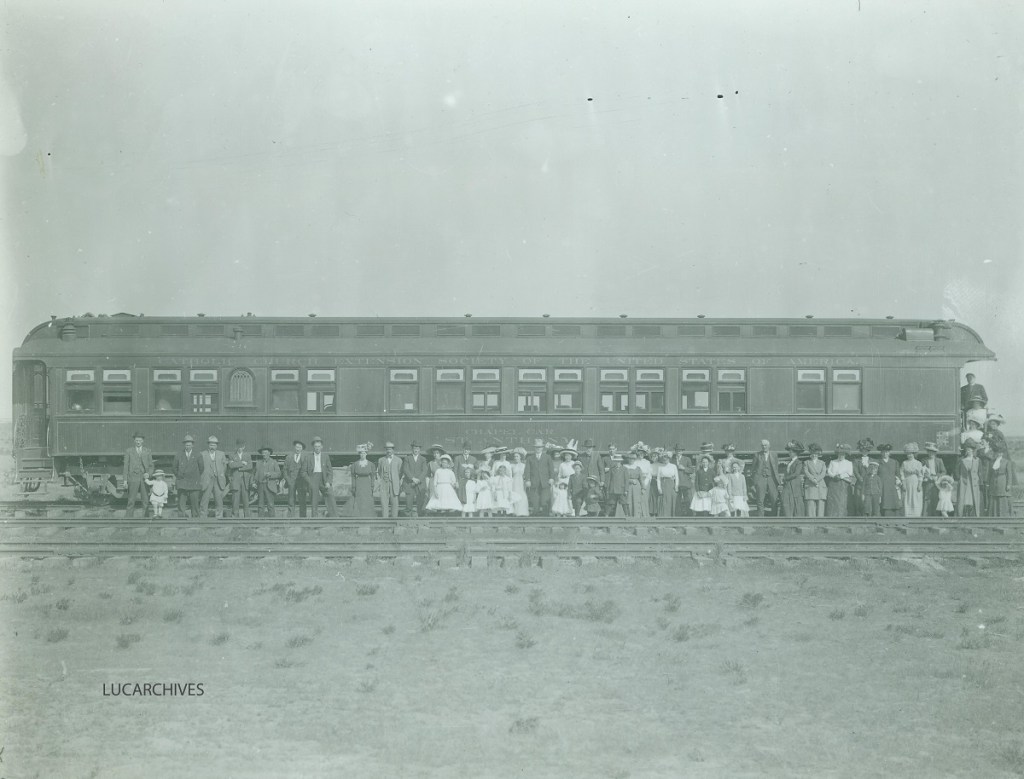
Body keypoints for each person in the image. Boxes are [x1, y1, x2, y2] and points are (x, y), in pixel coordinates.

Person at [303, 437, 337, 517]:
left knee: (330, 495)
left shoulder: (325, 456)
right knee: (314, 500)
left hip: (323, 478)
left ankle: (334, 517)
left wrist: (328, 482)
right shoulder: (308, 457)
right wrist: (310, 481)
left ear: (322, 447)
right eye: (316, 446)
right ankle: (315, 521)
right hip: (313, 478)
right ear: (313, 447)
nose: (317, 448)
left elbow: (330, 471)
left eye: (319, 446)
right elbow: (303, 472)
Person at [123, 432, 155, 518]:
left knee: (145, 501)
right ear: (134, 441)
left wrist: (149, 474)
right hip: (133, 478)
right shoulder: (129, 451)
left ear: (142, 441)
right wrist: (125, 480)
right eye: (136, 440)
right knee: (131, 501)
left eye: (140, 440)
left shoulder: (147, 451)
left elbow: (151, 466)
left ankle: (146, 520)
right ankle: (128, 520)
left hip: (144, 479)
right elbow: (126, 466)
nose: (138, 442)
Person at [172, 434, 203, 518]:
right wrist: (179, 476)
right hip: (182, 482)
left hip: (194, 483)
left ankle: (195, 519)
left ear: (192, 445)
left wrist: (195, 477)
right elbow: (174, 468)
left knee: (195, 504)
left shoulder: (198, 455)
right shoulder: (178, 455)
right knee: (181, 504)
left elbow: (201, 468)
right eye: (186, 445)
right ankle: (181, 519)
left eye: (189, 445)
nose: (188, 446)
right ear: (184, 445)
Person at [199, 435, 229, 519]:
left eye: (214, 445)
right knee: (204, 499)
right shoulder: (202, 454)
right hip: (207, 480)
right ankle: (203, 517)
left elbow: (224, 466)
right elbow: (200, 467)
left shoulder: (221, 454)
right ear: (208, 445)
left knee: (219, 499)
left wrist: (220, 473)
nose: (212, 446)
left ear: (217, 446)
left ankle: (219, 517)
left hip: (218, 480)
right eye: (211, 445)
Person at [524, 439, 555, 515]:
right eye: (536, 447)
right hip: (534, 483)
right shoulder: (530, 458)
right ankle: (536, 518)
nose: (538, 449)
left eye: (540, 447)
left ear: (542, 448)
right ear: (534, 448)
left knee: (544, 500)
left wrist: (551, 478)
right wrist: (527, 480)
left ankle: (546, 517)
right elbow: (527, 470)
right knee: (535, 502)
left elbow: (551, 469)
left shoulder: (547, 457)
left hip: (545, 482)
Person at [751, 439, 781, 517]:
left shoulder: (774, 454)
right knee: (760, 499)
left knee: (774, 498)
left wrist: (777, 480)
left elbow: (776, 468)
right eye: (762, 445)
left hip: (771, 478)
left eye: (765, 445)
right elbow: (753, 468)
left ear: (769, 446)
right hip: (760, 478)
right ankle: (761, 518)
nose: (764, 447)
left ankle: (773, 518)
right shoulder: (757, 455)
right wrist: (755, 480)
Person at [984, 443, 1016, 517]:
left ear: (1002, 453)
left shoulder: (1006, 462)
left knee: (1002, 497)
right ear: (996, 453)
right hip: (993, 482)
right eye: (997, 452)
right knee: (993, 497)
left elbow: (1009, 474)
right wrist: (988, 483)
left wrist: (1008, 484)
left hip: (1002, 481)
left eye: (1000, 453)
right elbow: (989, 474)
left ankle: (1003, 515)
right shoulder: (992, 461)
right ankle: (993, 515)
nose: (999, 454)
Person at [401, 441, 430, 517]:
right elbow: (405, 469)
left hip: (420, 484)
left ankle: (420, 519)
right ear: (412, 449)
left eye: (417, 448)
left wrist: (418, 480)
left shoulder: (423, 459)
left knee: (420, 503)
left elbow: (424, 471)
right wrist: (413, 478)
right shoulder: (407, 458)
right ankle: (407, 520)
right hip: (409, 483)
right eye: (414, 448)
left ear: (420, 449)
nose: (416, 450)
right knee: (408, 503)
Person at [825, 443, 854, 517]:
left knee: (841, 501)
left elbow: (849, 473)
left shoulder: (848, 463)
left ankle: (841, 517)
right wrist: (834, 476)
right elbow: (829, 471)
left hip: (843, 484)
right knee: (833, 501)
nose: (841, 456)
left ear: (845, 455)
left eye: (843, 454)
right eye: (840, 454)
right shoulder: (833, 462)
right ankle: (832, 517)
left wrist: (841, 476)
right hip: (833, 483)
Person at [282, 441, 309, 519]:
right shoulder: (289, 457)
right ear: (294, 447)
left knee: (302, 500)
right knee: (291, 500)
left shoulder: (306, 457)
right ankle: (290, 518)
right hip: (291, 481)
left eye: (300, 447)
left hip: (302, 482)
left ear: (302, 449)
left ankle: (303, 518)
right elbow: (284, 470)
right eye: (297, 447)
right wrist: (288, 479)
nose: (298, 449)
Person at [227, 439, 254, 518]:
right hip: (235, 481)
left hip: (245, 481)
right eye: (239, 446)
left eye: (241, 447)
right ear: (236, 446)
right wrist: (242, 463)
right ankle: (235, 518)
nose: (240, 448)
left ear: (244, 447)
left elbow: (250, 466)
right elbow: (231, 466)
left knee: (246, 501)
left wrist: (238, 467)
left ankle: (247, 518)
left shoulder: (247, 455)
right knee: (235, 501)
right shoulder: (231, 455)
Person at [955, 440, 983, 518]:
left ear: (973, 451)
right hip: (964, 483)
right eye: (967, 450)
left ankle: (974, 514)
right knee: (963, 498)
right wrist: (959, 479)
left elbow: (980, 472)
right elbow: (956, 471)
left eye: (970, 450)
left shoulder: (977, 460)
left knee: (974, 498)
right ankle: (962, 514)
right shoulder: (961, 460)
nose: (969, 451)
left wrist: (980, 482)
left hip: (974, 483)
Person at [376, 441, 403, 518]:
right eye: (387, 449)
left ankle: (394, 519)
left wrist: (397, 481)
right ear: (385, 450)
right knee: (384, 502)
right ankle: (385, 519)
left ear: (393, 450)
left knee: (395, 502)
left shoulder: (399, 460)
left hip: (394, 484)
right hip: (384, 483)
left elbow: (400, 473)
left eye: (390, 449)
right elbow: (380, 472)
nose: (389, 451)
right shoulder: (381, 460)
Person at [347, 444, 375, 517]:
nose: (362, 455)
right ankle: (359, 516)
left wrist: (372, 486)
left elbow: (373, 476)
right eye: (361, 453)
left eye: (364, 453)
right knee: (359, 499)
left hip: (367, 483)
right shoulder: (355, 464)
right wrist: (353, 486)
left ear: (366, 454)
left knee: (367, 499)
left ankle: (367, 516)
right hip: (358, 483)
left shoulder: (371, 464)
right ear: (359, 454)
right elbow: (353, 476)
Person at [920, 443, 947, 517]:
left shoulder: (939, 460)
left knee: (936, 498)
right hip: (927, 482)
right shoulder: (924, 460)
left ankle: (936, 516)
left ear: (935, 453)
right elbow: (921, 472)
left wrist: (937, 476)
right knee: (927, 498)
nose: (931, 453)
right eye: (929, 451)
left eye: (932, 451)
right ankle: (925, 515)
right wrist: (925, 475)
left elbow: (943, 471)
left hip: (936, 482)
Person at [253, 446, 281, 518]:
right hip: (260, 486)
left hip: (269, 486)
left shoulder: (274, 462)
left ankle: (272, 523)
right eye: (263, 453)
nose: (264, 454)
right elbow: (256, 474)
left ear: (269, 453)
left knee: (270, 505)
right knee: (260, 505)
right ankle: (260, 523)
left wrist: (271, 474)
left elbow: (279, 473)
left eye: (265, 453)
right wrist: (254, 482)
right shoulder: (258, 463)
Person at [851, 439, 875, 517]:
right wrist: (860, 478)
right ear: (861, 451)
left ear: (868, 451)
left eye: (866, 450)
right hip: (860, 483)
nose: (864, 452)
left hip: (869, 483)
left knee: (868, 499)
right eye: (863, 450)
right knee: (859, 499)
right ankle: (859, 515)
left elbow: (874, 471)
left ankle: (868, 515)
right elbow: (855, 471)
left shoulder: (872, 460)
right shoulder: (856, 461)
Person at [779, 441, 804, 517]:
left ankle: (795, 518)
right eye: (789, 451)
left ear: (795, 453)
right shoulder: (790, 462)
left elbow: (796, 473)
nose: (789, 453)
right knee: (787, 500)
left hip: (794, 484)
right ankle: (788, 517)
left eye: (791, 451)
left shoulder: (798, 462)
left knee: (794, 501)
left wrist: (785, 478)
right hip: (789, 484)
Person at [900, 443, 925, 517]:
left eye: (911, 454)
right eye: (908, 454)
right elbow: (902, 474)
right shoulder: (904, 463)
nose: (909, 455)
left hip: (915, 481)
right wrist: (903, 484)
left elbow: (920, 475)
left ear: (914, 454)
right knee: (907, 497)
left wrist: (919, 485)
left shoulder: (918, 463)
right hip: (907, 481)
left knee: (915, 497)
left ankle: (916, 514)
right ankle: (908, 514)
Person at [802, 444, 827, 517]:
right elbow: (806, 472)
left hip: (820, 485)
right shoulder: (806, 462)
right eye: (812, 453)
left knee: (820, 506)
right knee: (810, 505)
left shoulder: (822, 463)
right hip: (810, 485)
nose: (814, 455)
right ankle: (811, 524)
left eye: (815, 453)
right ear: (810, 453)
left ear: (818, 454)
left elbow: (823, 473)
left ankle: (820, 524)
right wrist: (813, 480)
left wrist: (817, 479)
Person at [877, 444, 902, 516]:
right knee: (883, 501)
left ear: (889, 453)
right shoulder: (878, 462)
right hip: (882, 485)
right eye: (883, 452)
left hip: (892, 486)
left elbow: (898, 474)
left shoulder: (894, 462)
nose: (885, 454)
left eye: (887, 452)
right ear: (881, 453)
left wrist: (898, 481)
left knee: (893, 501)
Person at [654, 450, 678, 518]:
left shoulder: (673, 466)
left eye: (666, 458)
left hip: (671, 484)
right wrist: (659, 488)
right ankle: (664, 516)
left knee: (671, 499)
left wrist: (676, 486)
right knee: (664, 500)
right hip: (663, 484)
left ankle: (671, 516)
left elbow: (677, 477)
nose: (665, 460)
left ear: (669, 458)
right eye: (664, 458)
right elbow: (658, 478)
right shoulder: (660, 467)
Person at [673, 443, 694, 517]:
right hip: (676, 483)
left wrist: (684, 468)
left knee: (687, 499)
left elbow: (692, 470)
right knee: (677, 500)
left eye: (680, 450)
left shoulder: (687, 459)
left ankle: (690, 515)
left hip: (685, 483)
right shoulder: (672, 460)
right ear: (675, 451)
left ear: (682, 451)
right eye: (677, 450)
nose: (678, 452)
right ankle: (678, 516)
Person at [623, 451, 646, 518]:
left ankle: (636, 516)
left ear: (634, 459)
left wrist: (643, 488)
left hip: (636, 487)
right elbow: (622, 478)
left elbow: (641, 479)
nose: (631, 460)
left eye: (633, 459)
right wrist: (630, 480)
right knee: (628, 501)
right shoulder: (624, 467)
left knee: (636, 501)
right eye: (629, 458)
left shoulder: (638, 468)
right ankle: (629, 516)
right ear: (627, 459)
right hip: (627, 487)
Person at [508, 448, 529, 516]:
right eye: (514, 456)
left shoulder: (524, 465)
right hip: (514, 481)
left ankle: (522, 511)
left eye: (517, 456)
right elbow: (510, 475)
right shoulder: (512, 466)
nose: (515, 458)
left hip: (521, 481)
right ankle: (515, 511)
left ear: (520, 457)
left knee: (522, 495)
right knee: (515, 495)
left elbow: (526, 474)